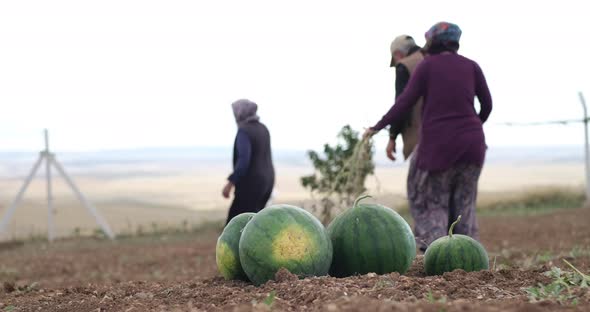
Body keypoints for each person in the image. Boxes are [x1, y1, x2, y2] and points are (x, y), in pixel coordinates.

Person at [364, 22, 493, 252]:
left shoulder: (428, 66)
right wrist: (470, 128)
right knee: (465, 207)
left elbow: (404, 102)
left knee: (429, 201)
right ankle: (470, 262)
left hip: (438, 147)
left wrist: (377, 127)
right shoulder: (471, 66)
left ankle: (434, 255)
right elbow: (487, 105)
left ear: (432, 41)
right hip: (472, 146)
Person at [222, 99, 275, 224]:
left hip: (250, 186)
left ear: (240, 113)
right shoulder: (263, 129)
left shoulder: (244, 131)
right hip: (267, 183)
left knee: (234, 226)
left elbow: (243, 161)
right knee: (254, 225)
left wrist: (230, 184)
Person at [387, 34, 425, 161]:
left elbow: (401, 104)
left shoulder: (404, 66)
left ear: (398, 54)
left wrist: (392, 136)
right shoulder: (434, 58)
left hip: (420, 137)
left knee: (420, 180)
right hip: (453, 134)